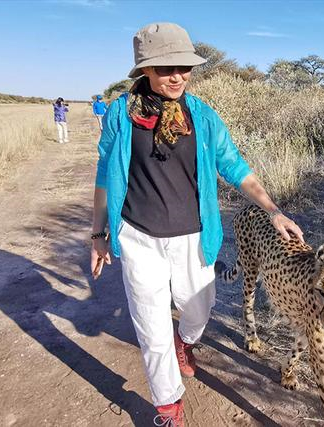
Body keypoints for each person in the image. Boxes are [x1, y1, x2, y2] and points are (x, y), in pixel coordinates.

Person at [90, 22, 304, 427]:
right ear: (145, 71)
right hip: (138, 236)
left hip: (193, 235)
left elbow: (234, 165)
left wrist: (274, 210)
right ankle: (168, 407)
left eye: (184, 67)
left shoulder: (202, 116)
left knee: (198, 308)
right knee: (151, 327)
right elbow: (104, 176)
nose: (178, 77)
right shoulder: (120, 115)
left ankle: (184, 342)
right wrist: (99, 233)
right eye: (166, 68)